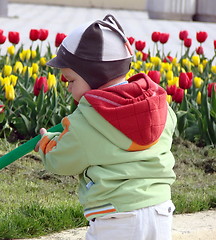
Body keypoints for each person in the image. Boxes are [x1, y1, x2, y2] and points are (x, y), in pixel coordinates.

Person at [35, 14, 177, 240]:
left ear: (95, 75)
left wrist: (46, 143)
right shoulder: (159, 107)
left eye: (71, 81)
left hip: (116, 218)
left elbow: (60, 160)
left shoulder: (87, 121)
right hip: (160, 210)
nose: (69, 89)